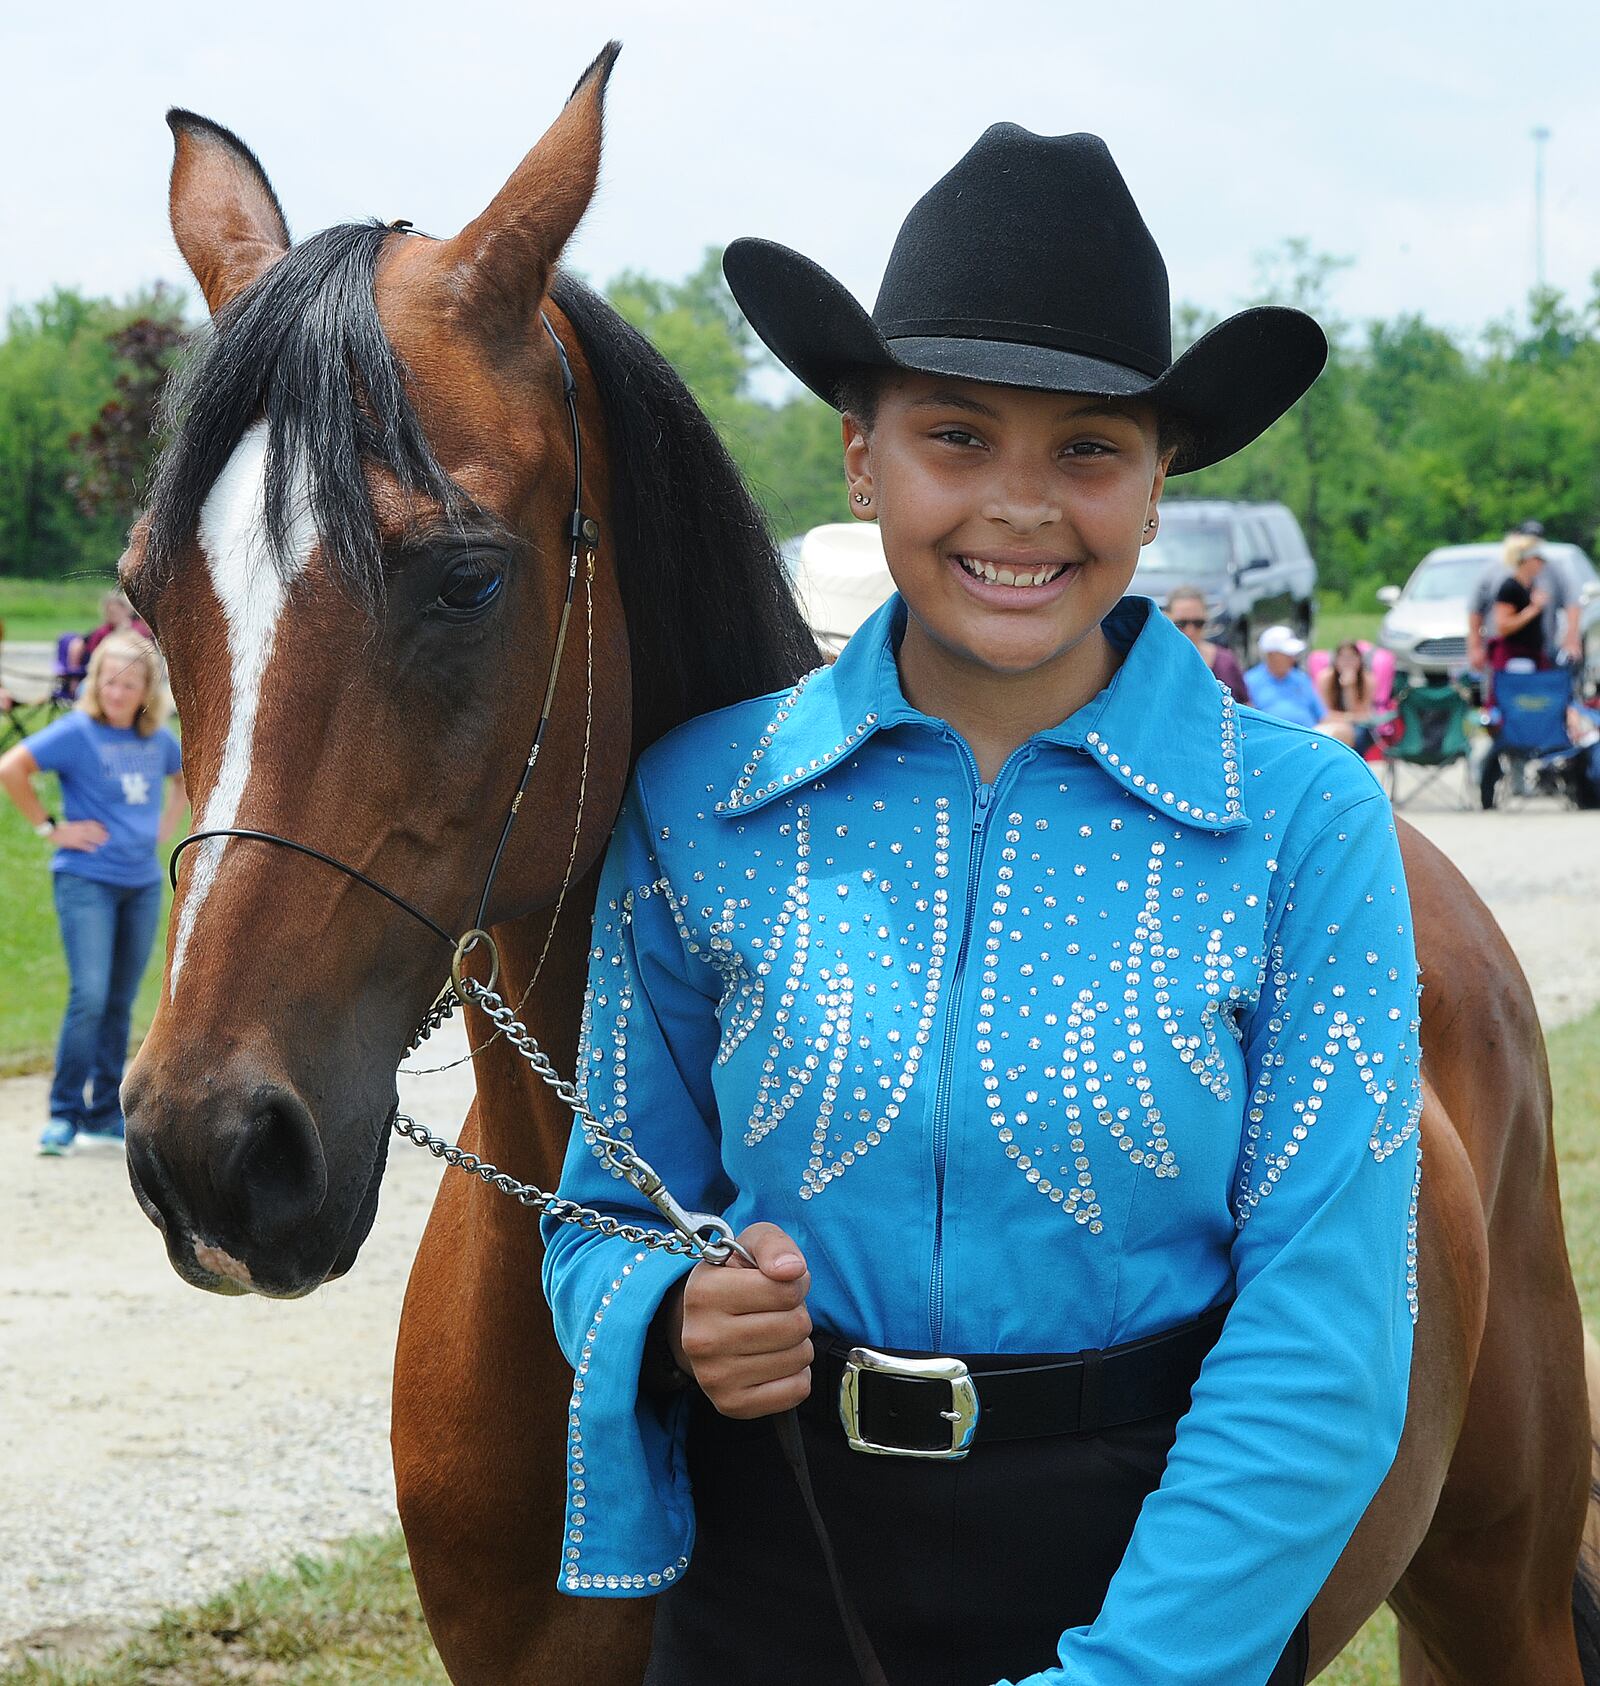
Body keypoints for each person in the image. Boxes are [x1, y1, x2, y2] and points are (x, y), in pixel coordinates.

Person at [541, 126, 1421, 1686]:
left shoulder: (1304, 823)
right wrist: (674, 1309)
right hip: (777, 1556)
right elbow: (603, 1209)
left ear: (1160, 486)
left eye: (1089, 448)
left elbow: (1328, 1328)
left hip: (1158, 1558)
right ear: (862, 456)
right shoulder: (697, 803)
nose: (1022, 508)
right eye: (957, 436)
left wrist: (1137, 1672)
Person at [0, 631, 186, 1155]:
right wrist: (52, 828)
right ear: (94, 682)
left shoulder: (156, 741)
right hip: (86, 881)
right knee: (90, 995)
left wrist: (167, 826)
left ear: (147, 689)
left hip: (141, 884)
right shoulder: (78, 734)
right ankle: (63, 1113)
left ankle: (104, 1111)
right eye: (108, 680)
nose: (116, 691)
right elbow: (11, 768)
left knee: (122, 1001)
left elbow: (184, 778)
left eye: (128, 683)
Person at [1467, 531, 1579, 674]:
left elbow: (1572, 603)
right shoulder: (1510, 587)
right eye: (1538, 558)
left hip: (1535, 654)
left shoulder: (1531, 585)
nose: (1542, 563)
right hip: (1513, 658)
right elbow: (1502, 626)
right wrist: (1533, 609)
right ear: (1526, 560)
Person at [1162, 585, 1249, 702]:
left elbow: (1247, 706)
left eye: (1198, 623)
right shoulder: (1158, 664)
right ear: (1167, 618)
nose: (1190, 631)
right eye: (1181, 624)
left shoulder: (1226, 662)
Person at [1244, 624, 1325, 729]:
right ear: (1271, 655)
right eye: (1287, 655)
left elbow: (1321, 715)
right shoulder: (1250, 681)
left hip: (1309, 736)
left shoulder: (1301, 678)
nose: (1292, 659)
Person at [1315, 640, 1378, 755]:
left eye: (1352, 658)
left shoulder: (1368, 679)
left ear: (1359, 660)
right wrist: (1348, 718)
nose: (1347, 662)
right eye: (1343, 658)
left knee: (1359, 735)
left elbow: (1363, 715)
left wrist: (1349, 688)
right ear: (1336, 660)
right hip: (1334, 724)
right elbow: (1324, 713)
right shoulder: (1325, 678)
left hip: (1359, 727)